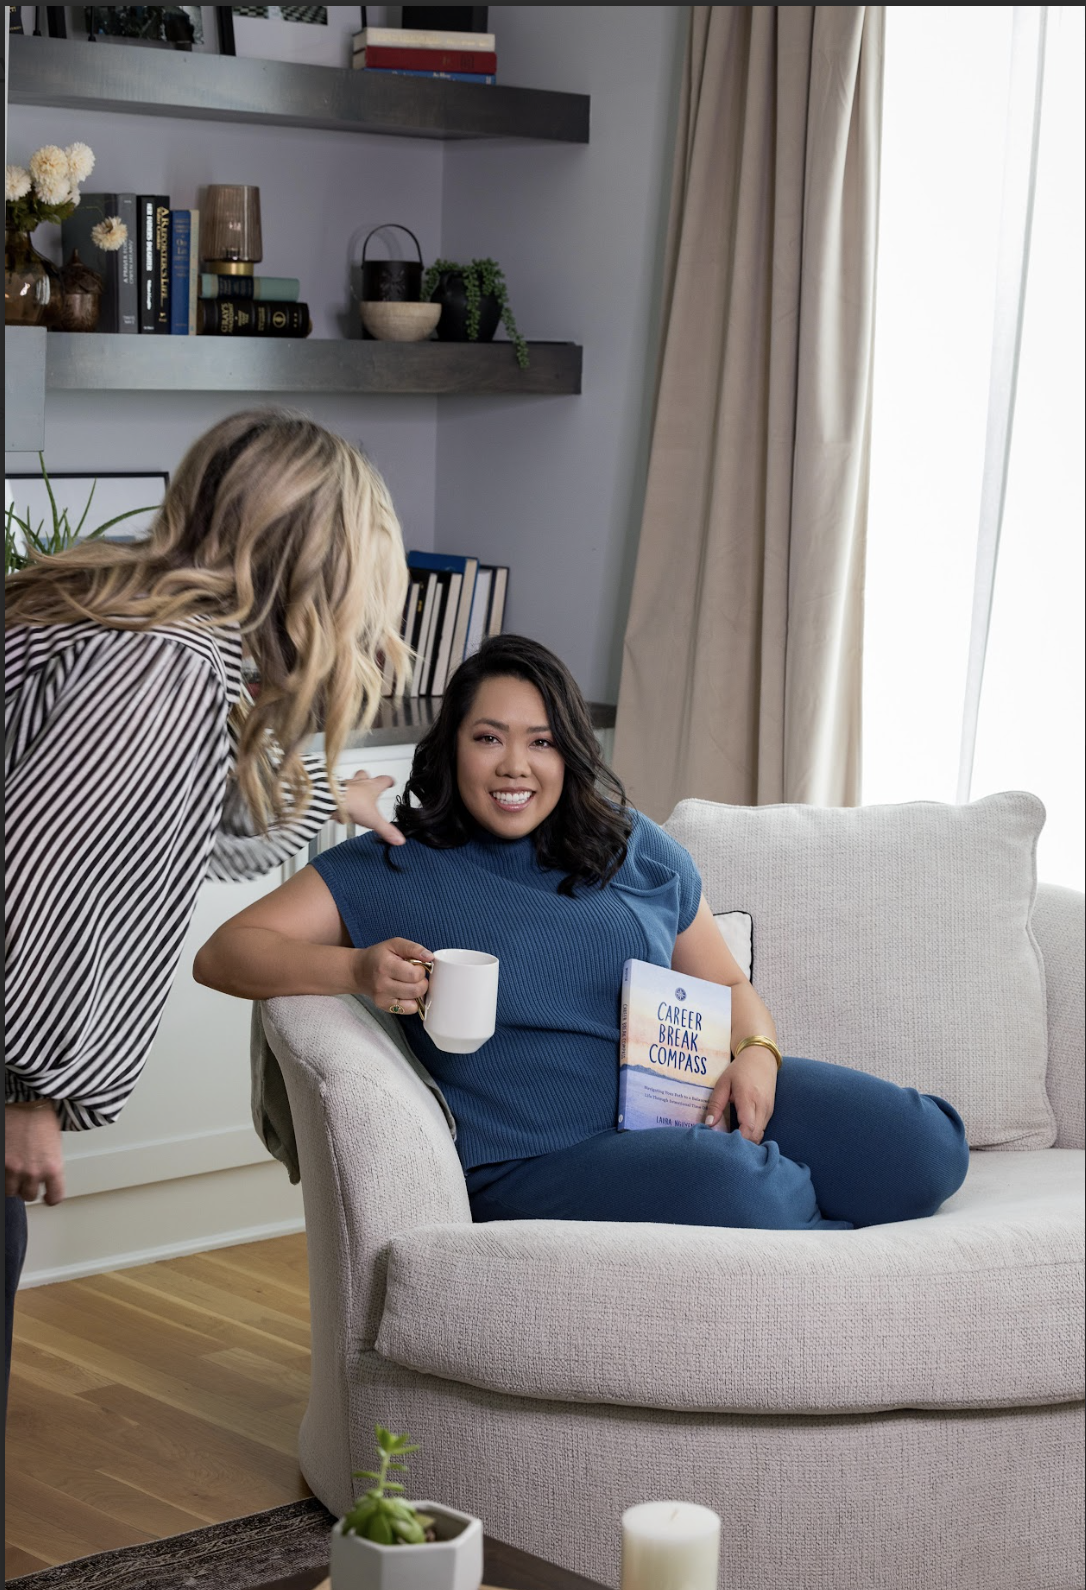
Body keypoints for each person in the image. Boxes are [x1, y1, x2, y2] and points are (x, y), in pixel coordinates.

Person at [194, 634, 970, 1232]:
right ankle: (818, 1256)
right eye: (488, 738)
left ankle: (797, 1222)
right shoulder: (395, 863)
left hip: (685, 1098)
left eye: (541, 741)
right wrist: (357, 970)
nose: (515, 766)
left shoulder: (626, 840)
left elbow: (725, 982)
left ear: (569, 750)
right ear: (451, 747)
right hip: (535, 1155)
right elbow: (224, 951)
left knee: (922, 1146)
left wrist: (758, 1057)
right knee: (755, 1190)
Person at [4, 408, 412, 1411]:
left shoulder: (121, 614)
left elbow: (195, 828)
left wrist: (337, 798)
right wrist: (25, 1091)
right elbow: (50, 876)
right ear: (311, 565)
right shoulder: (165, 661)